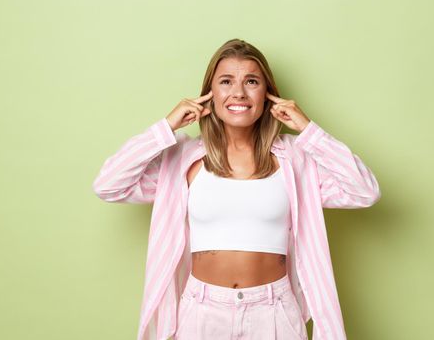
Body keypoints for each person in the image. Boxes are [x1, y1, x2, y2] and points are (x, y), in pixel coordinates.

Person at [92, 38, 381, 340]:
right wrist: (167, 126)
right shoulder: (182, 160)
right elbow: (109, 185)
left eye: (252, 81)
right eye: (226, 81)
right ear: (210, 94)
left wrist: (309, 130)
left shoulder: (295, 160)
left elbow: (364, 191)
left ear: (267, 94)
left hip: (274, 312)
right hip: (201, 312)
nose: (238, 92)